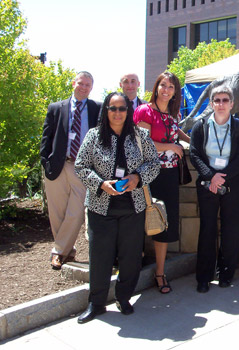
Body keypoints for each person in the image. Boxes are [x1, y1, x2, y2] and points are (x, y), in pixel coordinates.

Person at [74, 92, 160, 323]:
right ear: (106, 110)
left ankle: (124, 298)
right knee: (100, 256)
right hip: (101, 207)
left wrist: (137, 178)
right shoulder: (94, 136)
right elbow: (80, 166)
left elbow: (154, 163)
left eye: (122, 108)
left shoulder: (140, 135)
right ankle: (97, 303)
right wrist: (101, 184)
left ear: (128, 111)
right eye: (113, 108)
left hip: (133, 207)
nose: (118, 113)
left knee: (130, 257)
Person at [133, 71, 190, 294]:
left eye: (171, 87)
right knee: (139, 221)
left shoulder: (172, 114)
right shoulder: (144, 111)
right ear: (156, 87)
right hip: (147, 174)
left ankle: (160, 272)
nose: (166, 90)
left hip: (169, 175)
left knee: (164, 223)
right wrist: (172, 147)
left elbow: (176, 132)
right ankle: (130, 269)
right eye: (163, 85)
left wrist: (191, 141)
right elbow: (142, 145)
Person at [189, 86, 239, 293]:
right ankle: (204, 277)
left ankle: (226, 274)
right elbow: (194, 154)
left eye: (225, 100)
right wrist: (211, 176)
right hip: (207, 185)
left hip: (231, 183)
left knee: (231, 229)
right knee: (208, 229)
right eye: (217, 100)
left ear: (232, 104)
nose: (221, 104)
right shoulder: (200, 126)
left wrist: (222, 178)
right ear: (211, 103)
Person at [40, 71, 101, 270]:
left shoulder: (96, 108)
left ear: (91, 88)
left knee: (75, 212)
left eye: (88, 85)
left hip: (82, 167)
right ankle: (67, 251)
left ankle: (58, 252)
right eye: (81, 83)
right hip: (57, 164)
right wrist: (45, 161)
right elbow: (46, 137)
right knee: (56, 212)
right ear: (73, 83)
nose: (83, 87)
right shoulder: (57, 107)